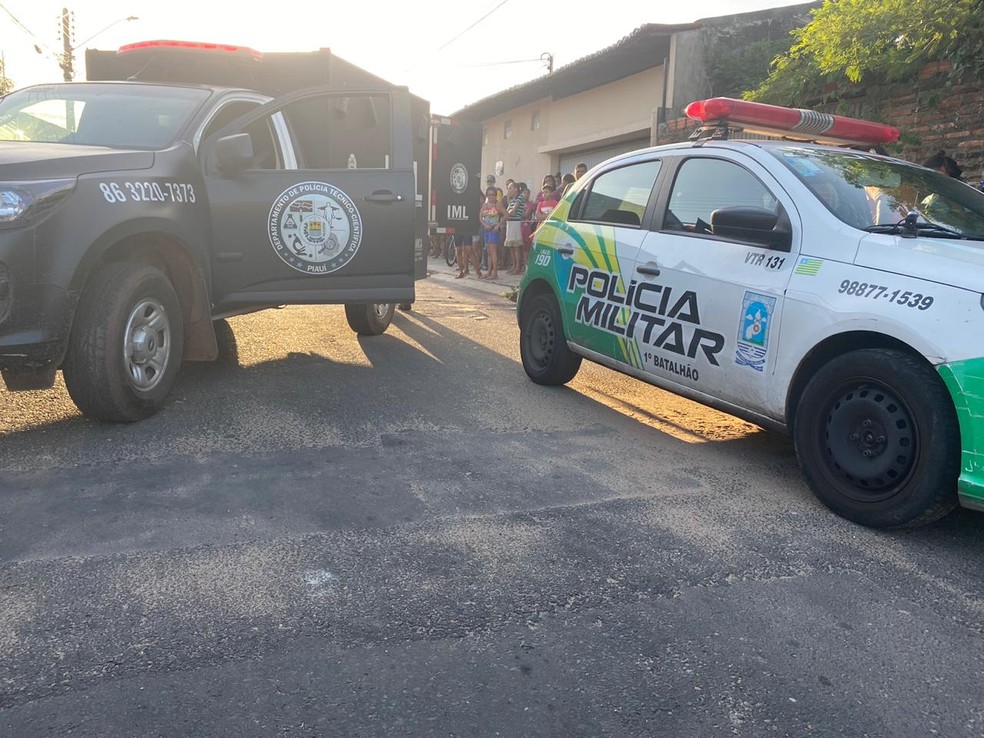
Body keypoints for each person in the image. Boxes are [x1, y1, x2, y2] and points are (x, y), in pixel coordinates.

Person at [480, 185, 504, 280]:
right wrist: (484, 224)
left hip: (494, 230)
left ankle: (495, 272)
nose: (491, 197)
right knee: (489, 251)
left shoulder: (498, 204)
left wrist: (498, 225)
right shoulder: (485, 205)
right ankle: (489, 272)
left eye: (493, 195)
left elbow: (506, 214)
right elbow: (480, 216)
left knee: (493, 251)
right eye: (489, 195)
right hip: (486, 229)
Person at [504, 181, 526, 275]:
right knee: (511, 247)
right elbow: (507, 212)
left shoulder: (519, 198)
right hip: (510, 223)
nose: (508, 190)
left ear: (516, 189)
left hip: (516, 224)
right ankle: (514, 266)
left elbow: (513, 211)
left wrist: (507, 213)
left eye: (510, 188)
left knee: (516, 246)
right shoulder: (512, 200)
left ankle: (517, 267)